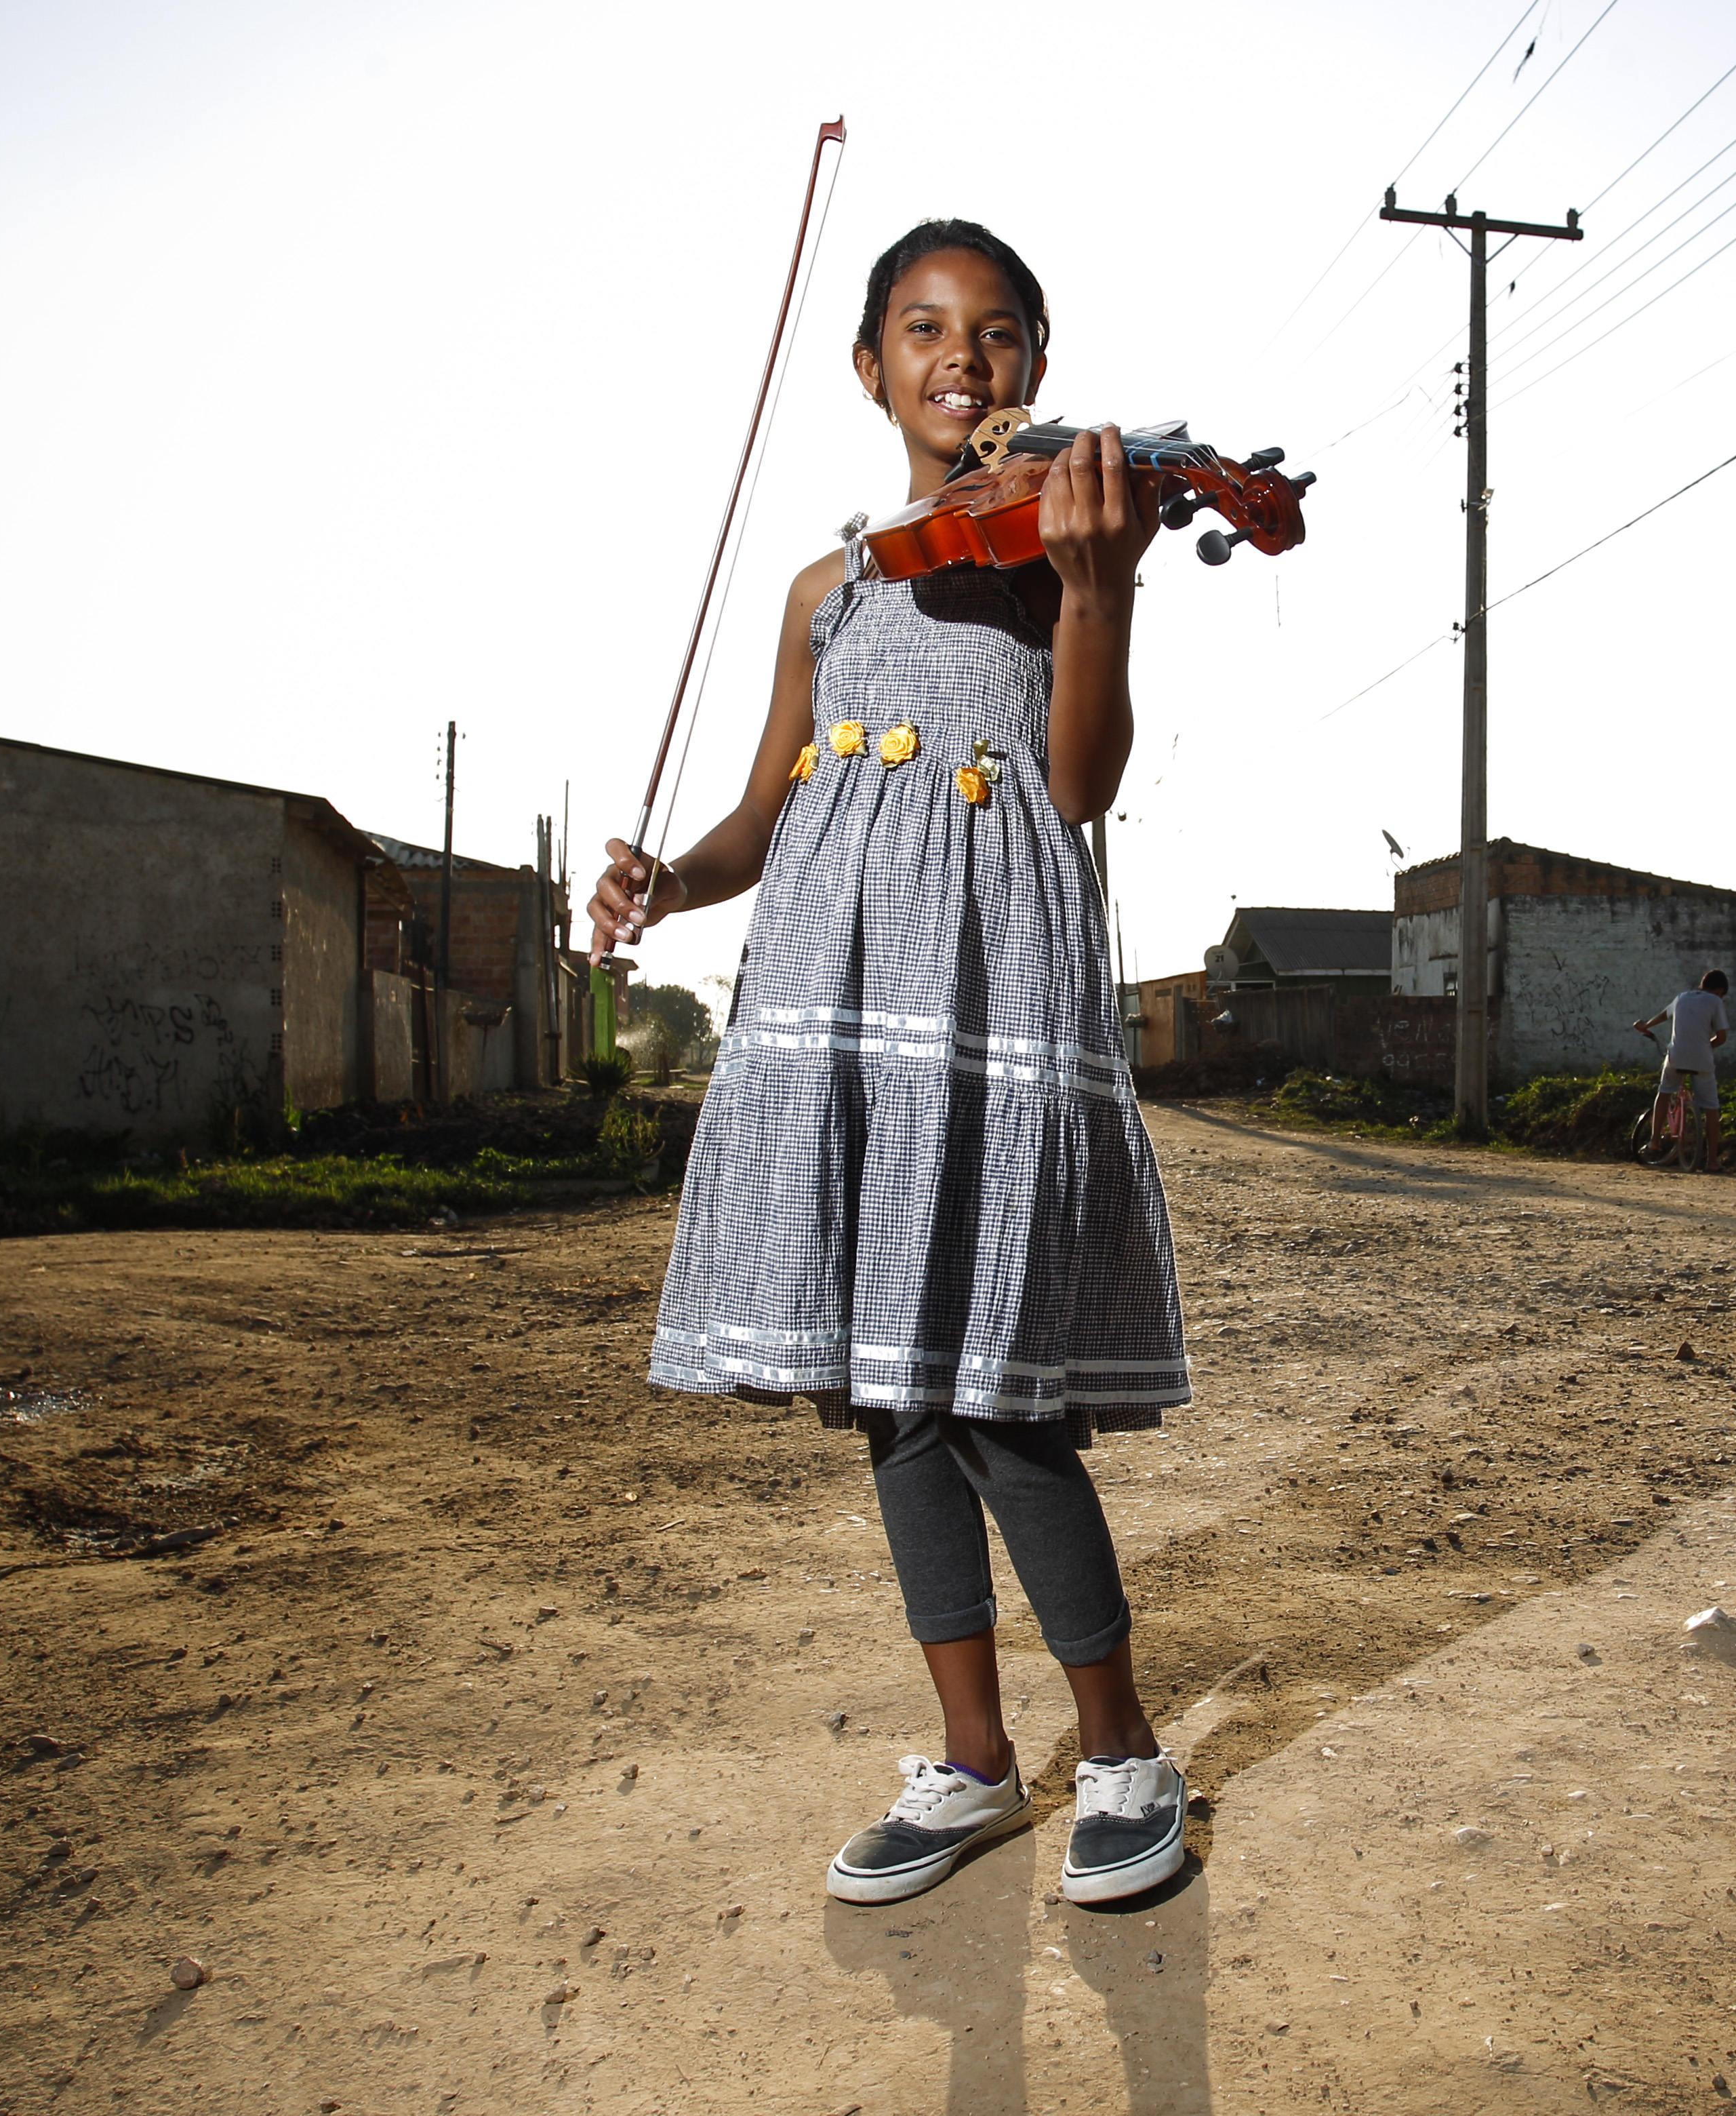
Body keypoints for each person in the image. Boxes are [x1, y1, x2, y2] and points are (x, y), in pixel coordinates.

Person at [590, 220, 1189, 1911]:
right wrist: (666, 878)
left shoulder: (1050, 549)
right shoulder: (827, 587)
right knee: (887, 1398)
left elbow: (1076, 782)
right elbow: (769, 809)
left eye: (997, 334)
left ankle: (1124, 1744)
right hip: (839, 1005)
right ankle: (974, 1762)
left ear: (1036, 369)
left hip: (987, 1011)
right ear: (868, 367)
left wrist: (1097, 589)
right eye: (923, 328)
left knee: (998, 1394)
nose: (961, 357)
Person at [1632, 970, 1732, 1172]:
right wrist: (1704, 1047)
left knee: (1665, 1091)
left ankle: (1654, 1143)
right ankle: (1712, 1162)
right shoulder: (1716, 1002)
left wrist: (1646, 1025)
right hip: (1702, 1060)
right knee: (1711, 1107)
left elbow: (1664, 1015)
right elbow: (1722, 1038)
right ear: (1720, 991)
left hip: (1676, 1057)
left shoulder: (1682, 998)